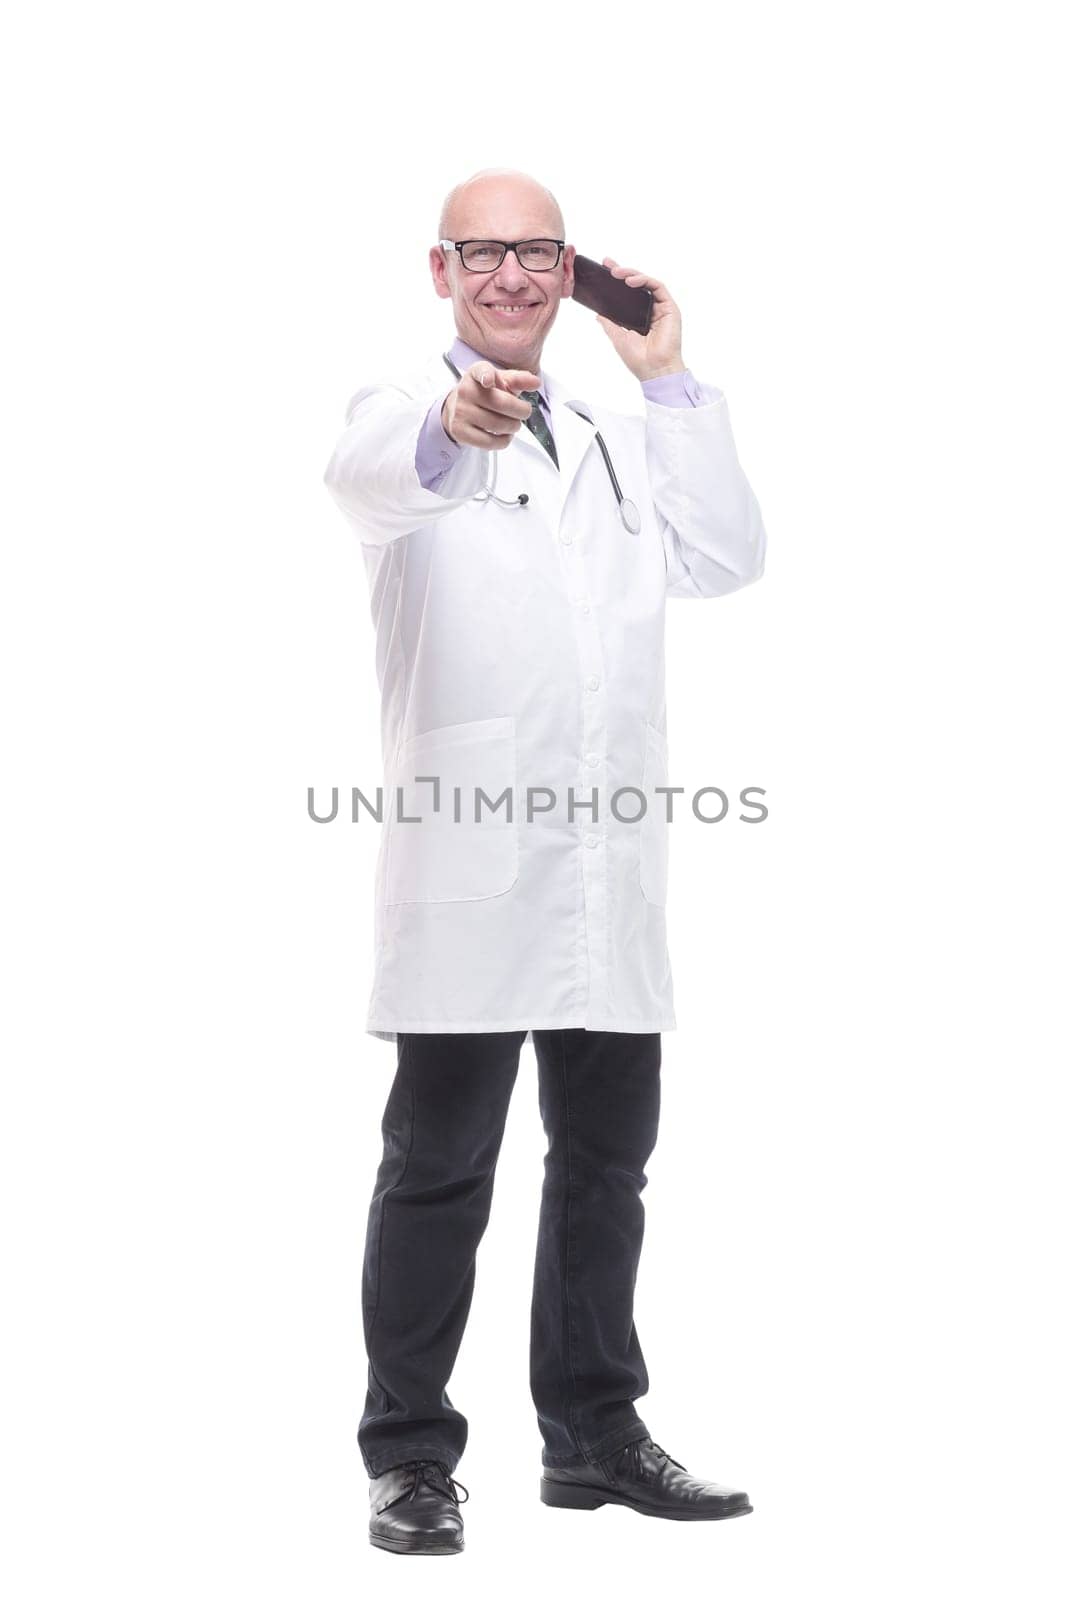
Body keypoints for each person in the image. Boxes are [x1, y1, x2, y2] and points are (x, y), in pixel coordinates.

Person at [322, 167, 766, 1556]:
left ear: (571, 273)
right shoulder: (401, 414)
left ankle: (593, 1437)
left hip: (605, 873)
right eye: (486, 254)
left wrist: (673, 385)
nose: (514, 276)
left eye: (540, 254)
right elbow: (383, 481)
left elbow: (730, 558)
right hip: (468, 873)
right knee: (440, 1165)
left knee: (604, 1167)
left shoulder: (620, 436)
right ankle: (408, 1455)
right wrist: (461, 426)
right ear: (440, 269)